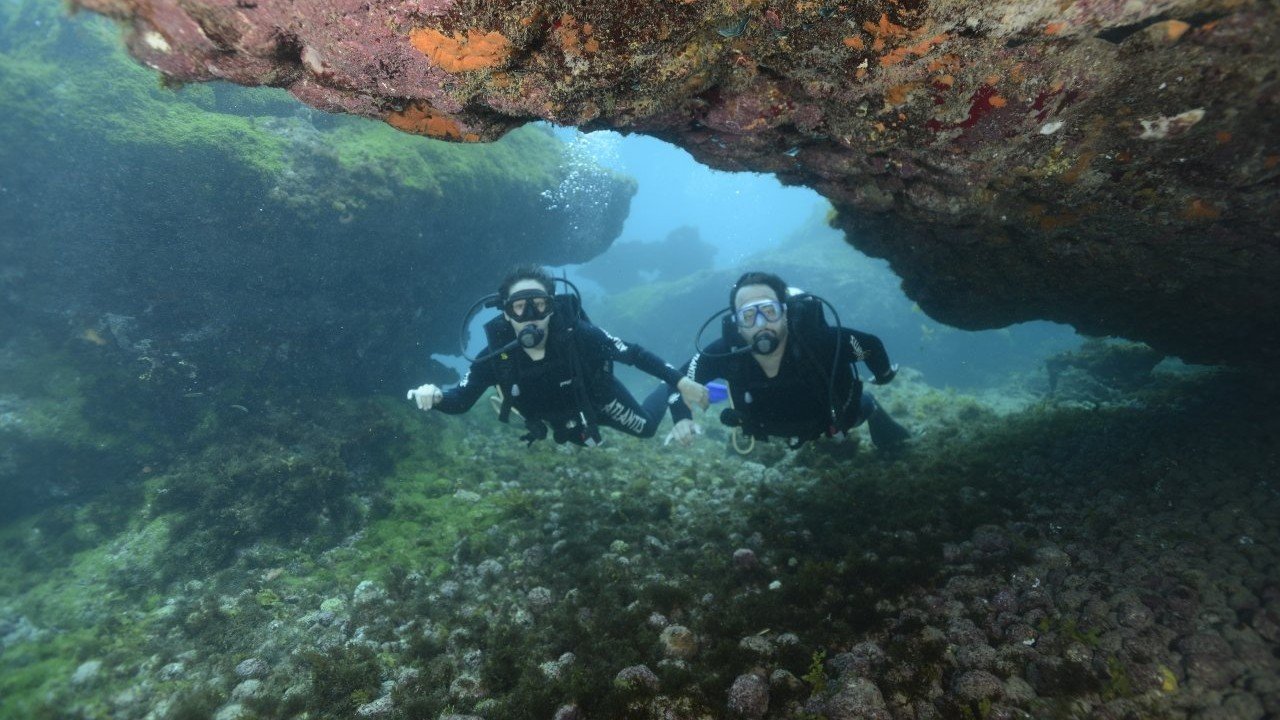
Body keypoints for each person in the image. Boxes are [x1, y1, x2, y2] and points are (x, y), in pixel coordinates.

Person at [407, 265, 708, 446]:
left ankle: (668, 388)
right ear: (506, 313)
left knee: (647, 429)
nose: (530, 315)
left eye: (539, 305)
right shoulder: (495, 357)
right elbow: (461, 400)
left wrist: (680, 382)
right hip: (554, 417)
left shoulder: (579, 335)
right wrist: (437, 397)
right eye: (519, 307)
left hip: (598, 401)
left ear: (551, 308)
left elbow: (634, 354)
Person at [667, 271, 911, 451]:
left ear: (785, 313)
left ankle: (871, 408)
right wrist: (681, 417)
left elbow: (870, 346)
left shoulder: (820, 341)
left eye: (769, 311)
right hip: (767, 428)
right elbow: (677, 381)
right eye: (748, 315)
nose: (761, 324)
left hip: (831, 421)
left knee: (859, 410)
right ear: (737, 324)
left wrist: (884, 375)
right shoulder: (725, 354)